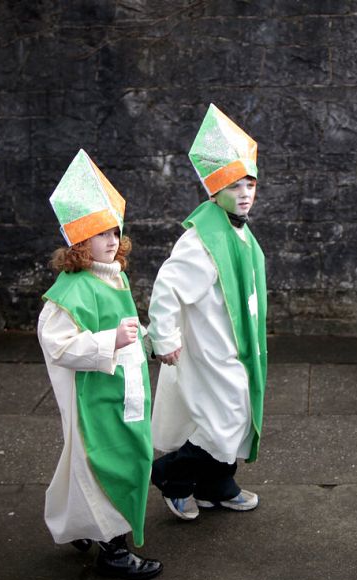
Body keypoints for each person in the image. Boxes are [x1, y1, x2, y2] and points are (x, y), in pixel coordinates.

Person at [37, 149, 162, 580]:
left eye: (115, 231)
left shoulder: (112, 274)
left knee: (106, 461)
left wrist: (145, 340)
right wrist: (111, 341)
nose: (112, 241)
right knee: (112, 462)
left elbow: (124, 323)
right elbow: (57, 344)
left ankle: (81, 526)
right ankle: (113, 550)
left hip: (122, 388)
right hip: (98, 396)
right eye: (100, 234)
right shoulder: (72, 290)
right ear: (79, 242)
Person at [148, 103, 267, 521]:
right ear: (215, 191)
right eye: (236, 186)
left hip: (236, 346)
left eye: (251, 184)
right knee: (225, 419)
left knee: (239, 415)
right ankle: (171, 477)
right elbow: (168, 286)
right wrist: (163, 339)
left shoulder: (241, 234)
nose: (246, 193)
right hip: (209, 348)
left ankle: (217, 485)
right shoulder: (202, 240)